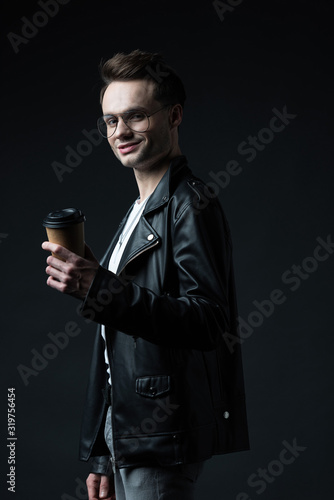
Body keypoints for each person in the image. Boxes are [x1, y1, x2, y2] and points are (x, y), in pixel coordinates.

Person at [42, 50, 249, 500]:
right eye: (111, 121)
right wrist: (102, 450)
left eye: (135, 116)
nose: (121, 132)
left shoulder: (190, 205)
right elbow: (114, 343)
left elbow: (209, 320)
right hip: (130, 434)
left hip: (161, 434)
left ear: (173, 115)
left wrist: (99, 286)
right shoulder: (137, 214)